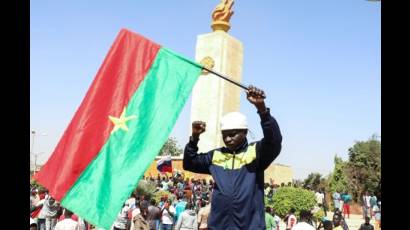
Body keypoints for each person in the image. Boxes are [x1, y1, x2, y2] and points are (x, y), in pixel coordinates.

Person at [183, 85, 282, 230]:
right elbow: (189, 163)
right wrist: (195, 138)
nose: (228, 139)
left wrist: (262, 109)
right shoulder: (216, 155)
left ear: (245, 132)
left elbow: (274, 141)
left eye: (233, 134)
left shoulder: (256, 152)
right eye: (224, 135)